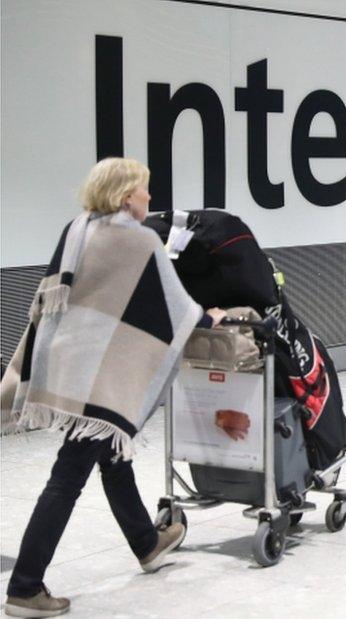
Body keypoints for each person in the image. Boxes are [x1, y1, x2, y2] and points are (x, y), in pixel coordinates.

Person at [0, 158, 225, 617]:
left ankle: (146, 543)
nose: (148, 199)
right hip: (97, 379)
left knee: (113, 457)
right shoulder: (139, 240)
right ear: (126, 196)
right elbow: (173, 306)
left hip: (68, 363)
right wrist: (210, 318)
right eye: (144, 190)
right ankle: (25, 586)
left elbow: (53, 295)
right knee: (67, 478)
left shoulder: (77, 229)